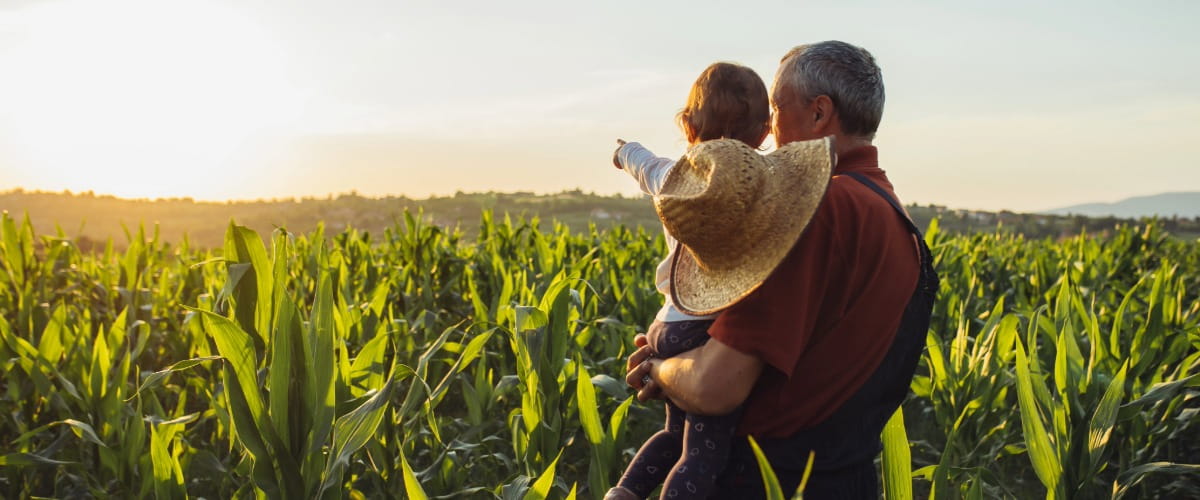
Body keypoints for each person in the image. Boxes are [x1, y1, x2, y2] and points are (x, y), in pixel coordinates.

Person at [625, 41, 939, 499]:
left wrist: (662, 367)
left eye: (776, 107)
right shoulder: (892, 213)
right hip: (841, 479)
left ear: (819, 114)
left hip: (770, 480)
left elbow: (717, 385)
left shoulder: (816, 213)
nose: (768, 129)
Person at [605, 62, 772, 500]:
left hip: (667, 325)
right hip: (706, 328)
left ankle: (623, 493)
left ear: (689, 124)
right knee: (703, 453)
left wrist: (624, 152)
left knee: (671, 435)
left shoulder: (672, 176)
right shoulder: (758, 190)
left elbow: (643, 163)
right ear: (765, 131)